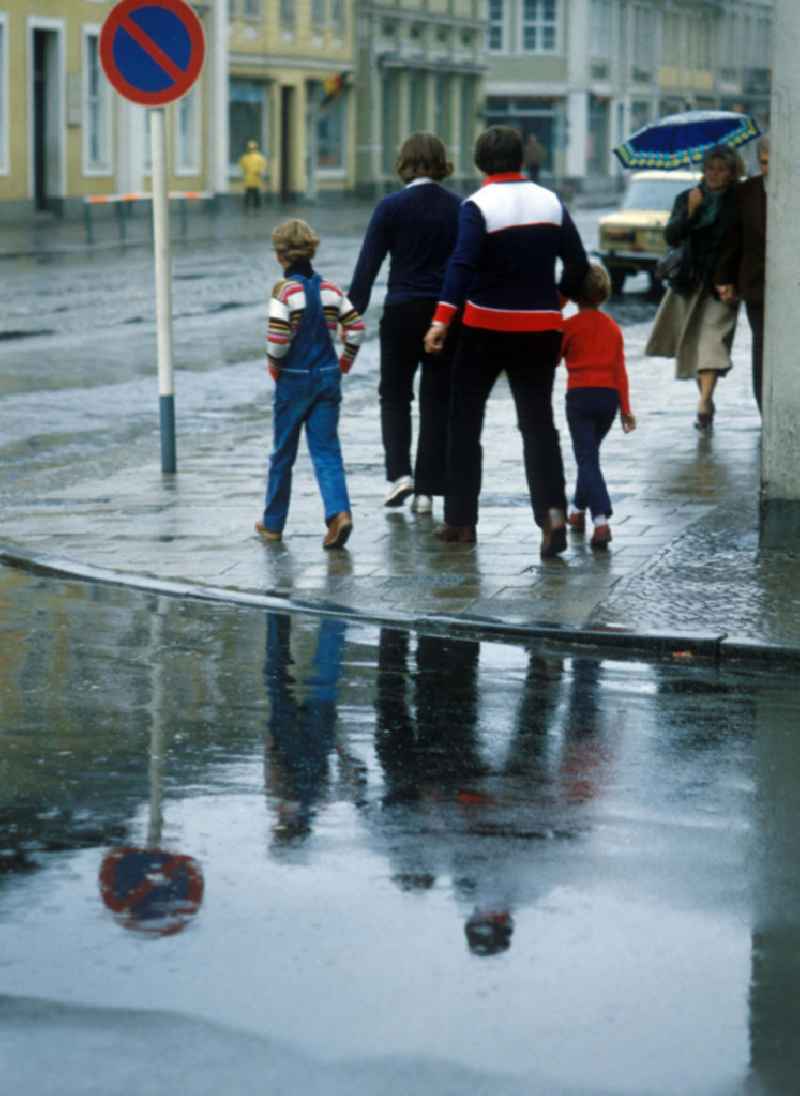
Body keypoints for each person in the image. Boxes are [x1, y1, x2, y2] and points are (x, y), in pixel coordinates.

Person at [423, 125, 589, 559]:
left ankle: (460, 522)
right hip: (540, 330)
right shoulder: (551, 202)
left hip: (484, 328)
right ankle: (552, 514)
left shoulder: (478, 205)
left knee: (464, 421)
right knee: (538, 424)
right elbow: (578, 263)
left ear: (480, 162)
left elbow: (461, 265)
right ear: (521, 158)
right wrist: (557, 300)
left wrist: (442, 320)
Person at [349, 132, 462, 515]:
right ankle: (428, 490)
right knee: (436, 398)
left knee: (395, 395)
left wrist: (351, 312)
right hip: (444, 316)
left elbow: (368, 265)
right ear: (442, 164)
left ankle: (400, 475)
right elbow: (466, 267)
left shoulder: (390, 207)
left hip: (400, 311)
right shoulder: (458, 208)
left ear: (404, 164)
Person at [256, 219, 365, 550]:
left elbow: (277, 341)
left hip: (294, 380)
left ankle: (273, 524)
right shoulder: (332, 290)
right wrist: (344, 362)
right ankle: (338, 513)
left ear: (280, 256)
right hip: (328, 376)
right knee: (327, 452)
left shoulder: (284, 292)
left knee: (283, 454)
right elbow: (356, 327)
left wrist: (274, 367)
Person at [645, 144, 743, 430]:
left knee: (712, 341)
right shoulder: (688, 197)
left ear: (732, 172)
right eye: (710, 169)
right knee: (692, 342)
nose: (714, 174)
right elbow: (673, 237)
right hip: (690, 281)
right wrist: (690, 211)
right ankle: (707, 399)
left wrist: (733, 279)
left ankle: (704, 402)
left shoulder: (739, 200)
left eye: (721, 169)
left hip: (722, 284)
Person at [561, 263, 637, 551]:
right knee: (589, 456)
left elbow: (554, 359)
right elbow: (621, 372)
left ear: (575, 295)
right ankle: (577, 511)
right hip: (608, 400)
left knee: (586, 458)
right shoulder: (613, 328)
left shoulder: (569, 327)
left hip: (579, 397)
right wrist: (625, 410)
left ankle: (601, 520)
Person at [715, 135, 769, 413]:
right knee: (762, 346)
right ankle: (765, 410)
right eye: (763, 163)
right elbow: (731, 238)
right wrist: (725, 278)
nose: (768, 169)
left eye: (773, 163)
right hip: (757, 284)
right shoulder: (746, 192)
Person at [239, 140, 267, 211]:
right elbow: (242, 167)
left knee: (252, 194)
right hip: (253, 179)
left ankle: (250, 208)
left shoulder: (246, 157)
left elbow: (242, 168)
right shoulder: (258, 158)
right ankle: (254, 208)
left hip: (252, 179)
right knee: (253, 195)